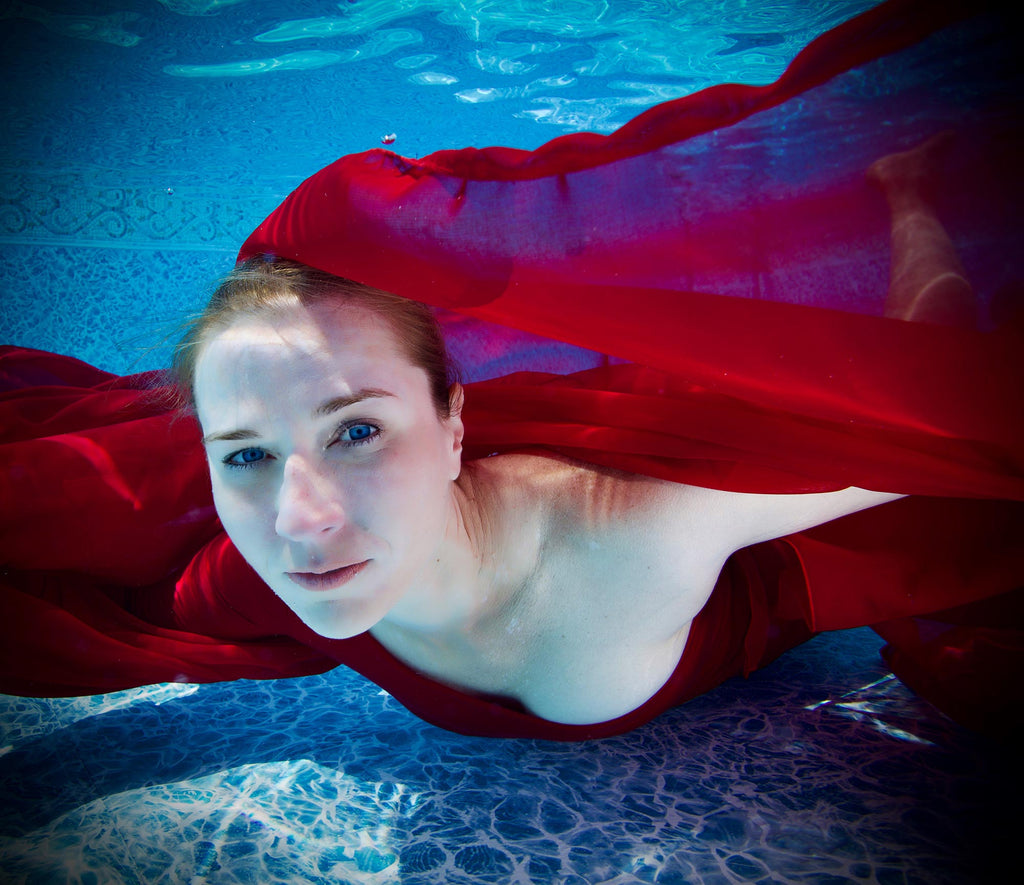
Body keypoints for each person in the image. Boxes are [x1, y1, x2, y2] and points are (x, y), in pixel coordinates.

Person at [2, 0, 1021, 740]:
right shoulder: (269, 570)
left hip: (744, 561)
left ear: (453, 425)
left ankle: (907, 191)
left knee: (915, 373)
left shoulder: (641, 530)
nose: (297, 518)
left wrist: (915, 222)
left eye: (355, 430)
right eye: (245, 456)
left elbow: (935, 415)